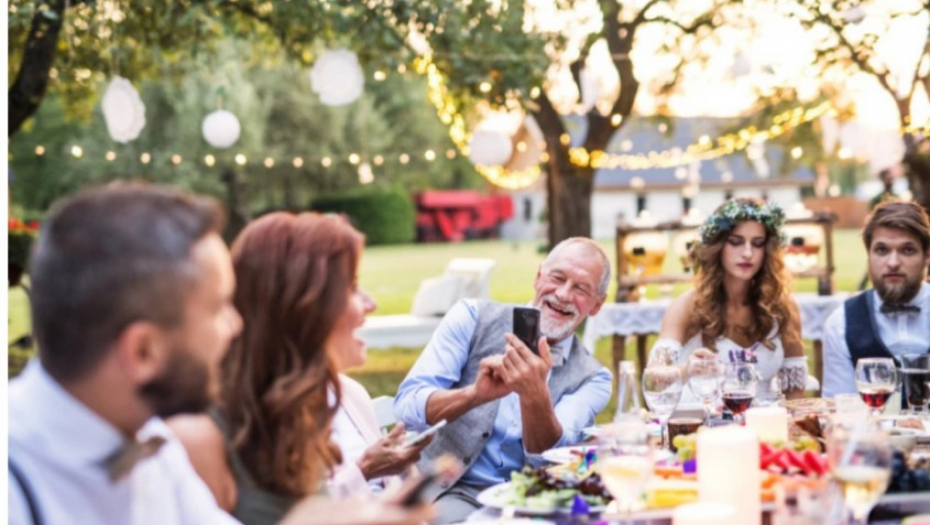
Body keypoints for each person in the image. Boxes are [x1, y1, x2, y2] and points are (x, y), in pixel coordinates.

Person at [8, 183, 431, 525]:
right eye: (218, 309)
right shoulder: (14, 487)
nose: (238, 325)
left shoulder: (152, 446)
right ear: (143, 351)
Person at [168, 212, 429, 525]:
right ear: (302, 308)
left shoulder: (295, 412)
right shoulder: (200, 435)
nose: (370, 303)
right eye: (352, 287)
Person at [393, 237, 613, 525]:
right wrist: (475, 394)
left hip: (531, 502)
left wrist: (535, 395)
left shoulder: (595, 378)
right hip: (447, 493)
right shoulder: (471, 317)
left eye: (581, 288)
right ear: (538, 277)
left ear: (597, 305)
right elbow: (407, 405)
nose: (563, 294)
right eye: (557, 278)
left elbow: (548, 458)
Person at [647, 198, 808, 403]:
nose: (748, 253)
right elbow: (653, 380)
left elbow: (796, 394)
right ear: (718, 246)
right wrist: (688, 369)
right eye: (736, 242)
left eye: (757, 244)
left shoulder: (782, 308)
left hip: (764, 428)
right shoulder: (689, 306)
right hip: (702, 428)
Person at [822, 201, 930, 397]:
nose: (893, 263)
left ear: (927, 257)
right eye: (882, 250)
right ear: (868, 255)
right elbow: (838, 411)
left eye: (907, 250)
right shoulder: (842, 323)